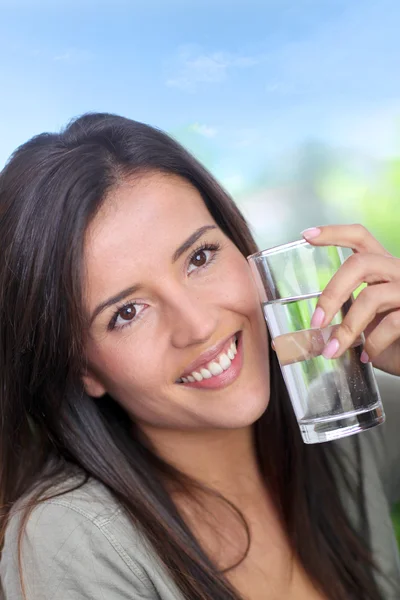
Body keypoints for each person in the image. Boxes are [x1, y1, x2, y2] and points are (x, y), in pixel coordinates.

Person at [0, 113, 400, 600]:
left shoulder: (342, 413)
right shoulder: (71, 541)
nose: (198, 326)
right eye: (127, 312)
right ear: (82, 368)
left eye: (199, 257)